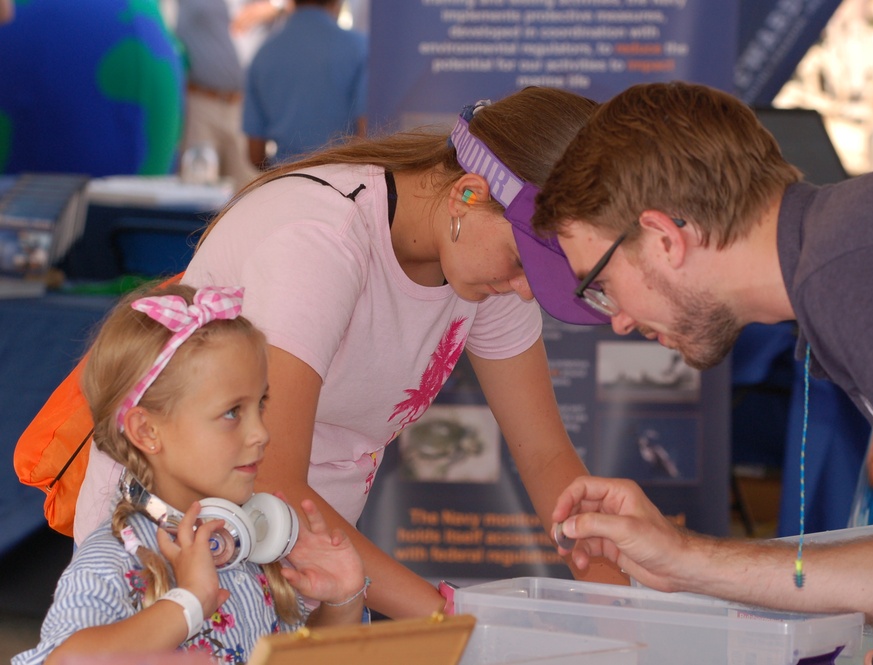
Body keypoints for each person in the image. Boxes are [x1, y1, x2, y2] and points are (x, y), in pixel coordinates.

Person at [75, 86, 629, 621]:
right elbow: (271, 478)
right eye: (524, 263)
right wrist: (454, 619)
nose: (527, 289)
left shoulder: (487, 267)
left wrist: (626, 615)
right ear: (469, 192)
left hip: (308, 572)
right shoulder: (322, 242)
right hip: (169, 554)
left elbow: (547, 459)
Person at [533, 81, 873, 665]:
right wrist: (681, 559)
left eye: (600, 285)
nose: (619, 320)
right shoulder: (843, 262)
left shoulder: (853, 268)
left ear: (664, 238)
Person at [16, 284, 366, 665]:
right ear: (147, 431)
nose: (261, 432)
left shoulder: (244, 547)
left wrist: (341, 602)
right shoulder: (113, 563)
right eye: (232, 412)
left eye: (260, 404)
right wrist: (190, 601)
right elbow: (65, 661)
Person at [242, 0, 367, 169]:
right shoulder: (360, 48)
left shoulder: (263, 54)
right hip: (343, 181)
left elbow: (255, 154)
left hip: (284, 179)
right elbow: (366, 133)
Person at [175, 0, 261, 186]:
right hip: (201, 103)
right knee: (196, 194)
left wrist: (274, 6)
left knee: (248, 193)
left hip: (243, 107)